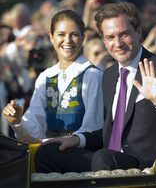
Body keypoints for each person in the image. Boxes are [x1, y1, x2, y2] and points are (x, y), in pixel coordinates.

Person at [89, 2, 156, 170]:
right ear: (104, 40)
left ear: (138, 33)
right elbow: (106, 130)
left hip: (149, 167)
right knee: (50, 154)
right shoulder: (108, 76)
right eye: (110, 37)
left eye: (124, 34)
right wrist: (76, 139)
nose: (117, 43)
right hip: (110, 159)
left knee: (102, 158)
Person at [2, 9, 104, 171]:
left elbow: (93, 127)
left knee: (44, 154)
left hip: (82, 154)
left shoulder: (92, 75)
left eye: (74, 35)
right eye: (61, 34)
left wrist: (64, 141)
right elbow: (34, 128)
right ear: (51, 37)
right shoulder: (46, 77)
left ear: (83, 38)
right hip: (51, 152)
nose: (68, 40)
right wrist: (18, 121)